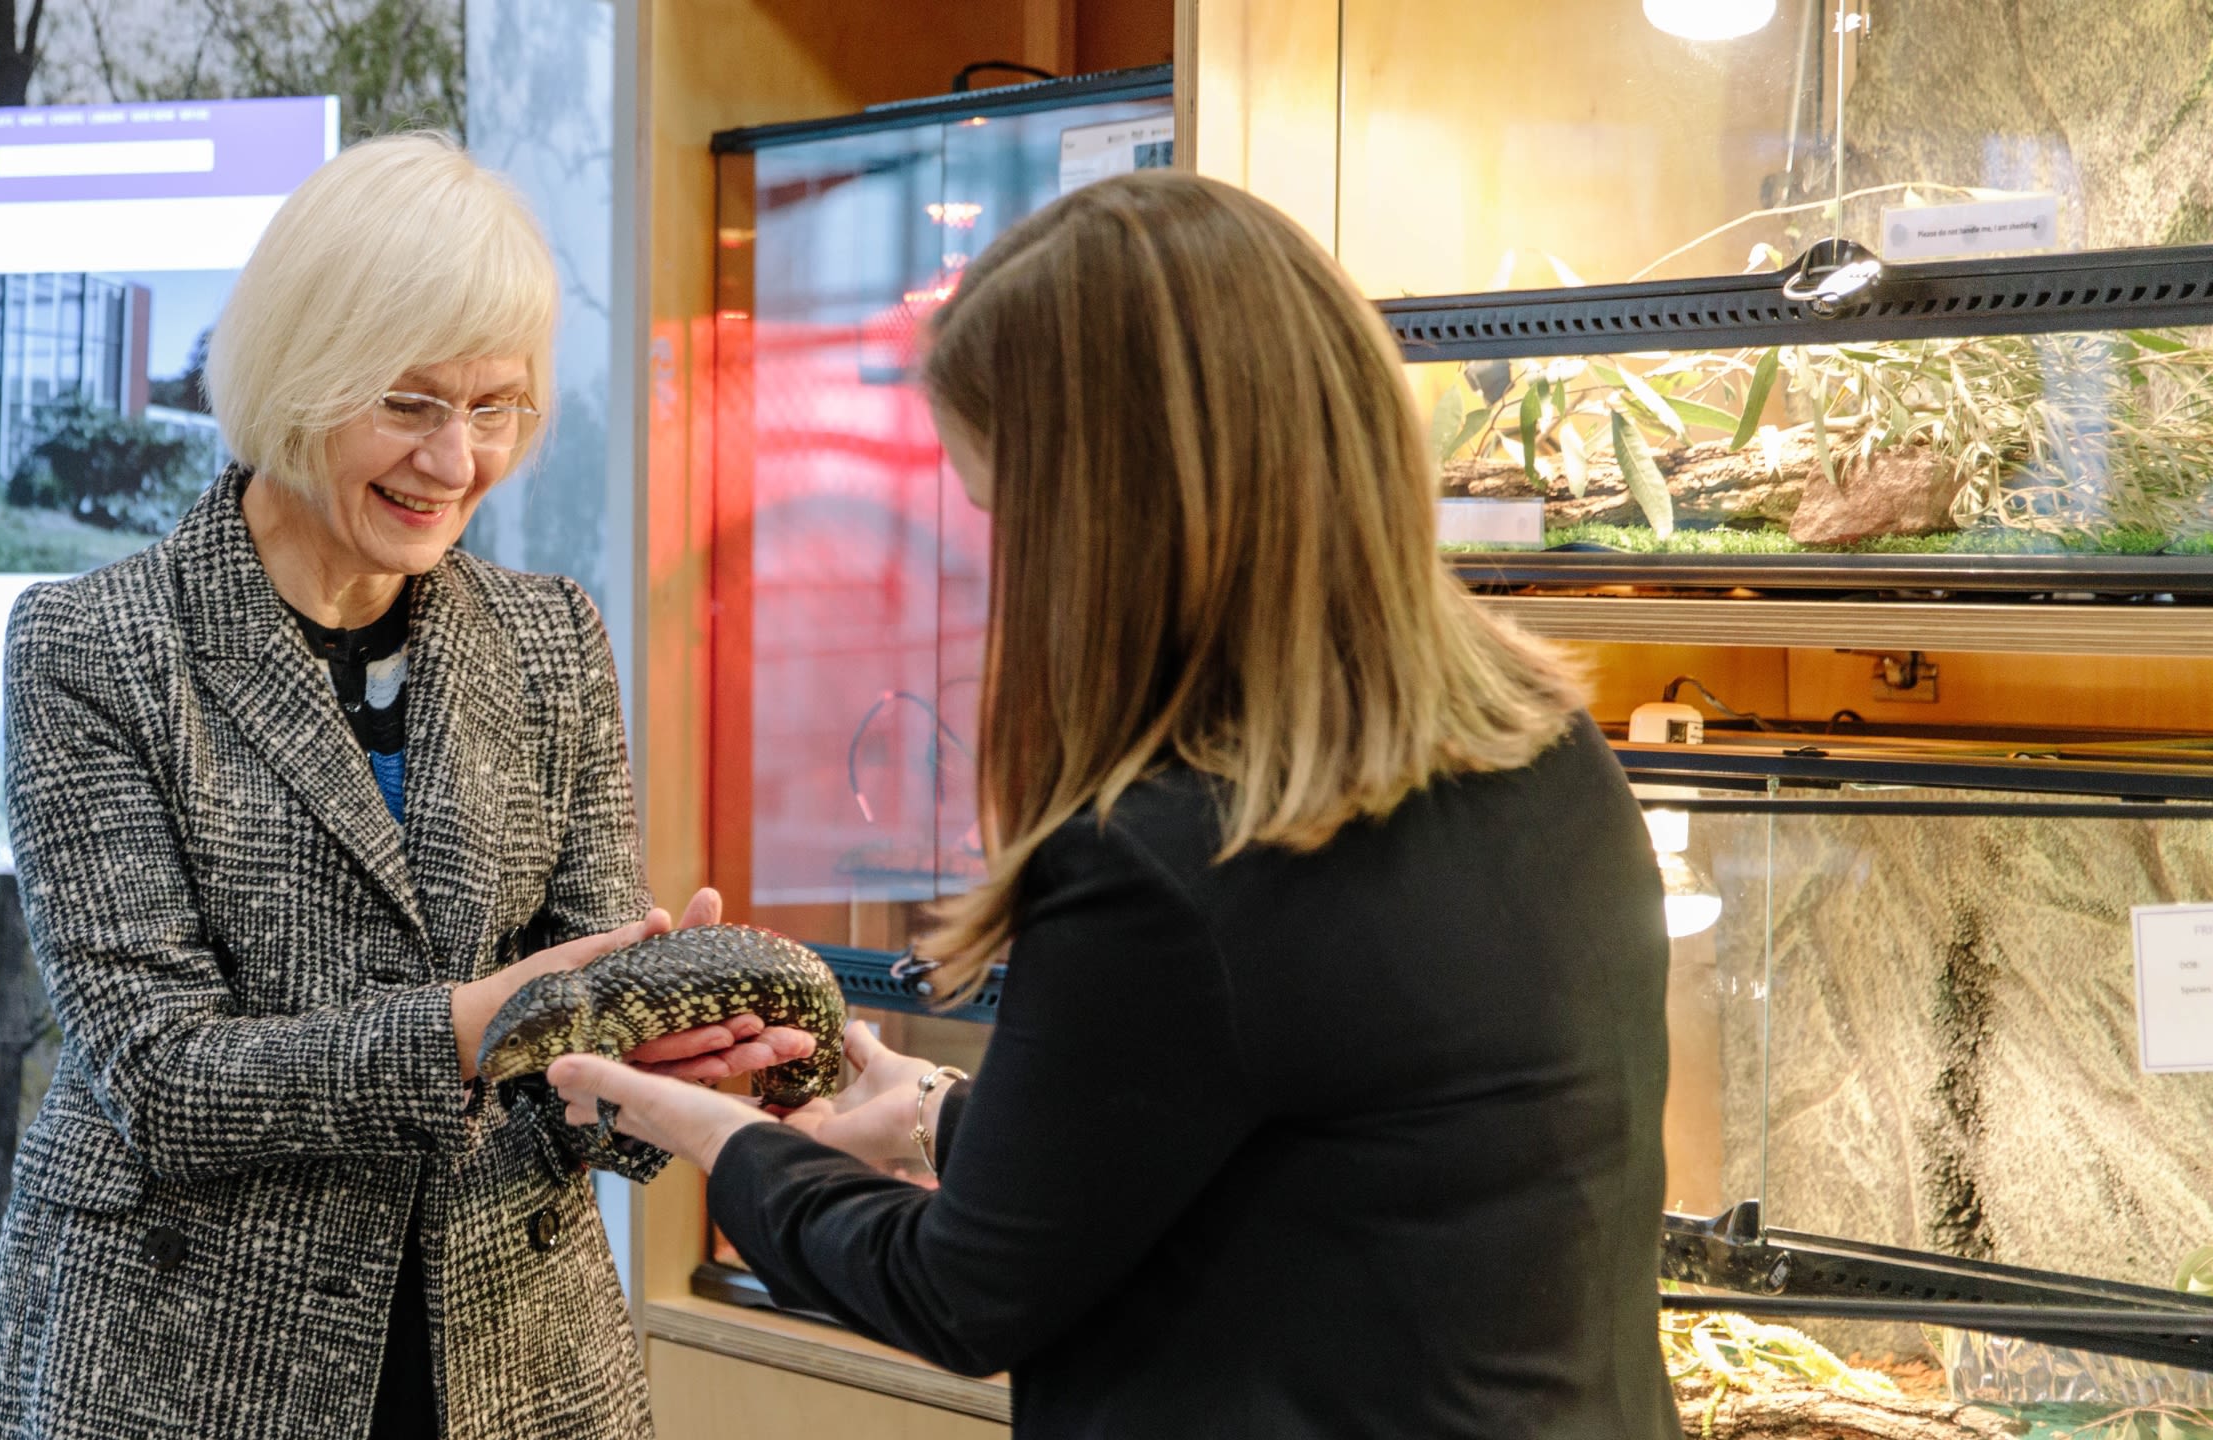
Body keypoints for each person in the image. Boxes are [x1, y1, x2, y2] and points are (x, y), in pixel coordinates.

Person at [546, 171, 1686, 1439]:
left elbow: (960, 1296)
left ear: (1104, 522)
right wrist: (940, 1113)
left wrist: (719, 1136)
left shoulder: (1167, 860)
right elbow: (1300, 1153)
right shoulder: (1547, 750)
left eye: (1003, 511)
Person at [0, 134, 810, 1440]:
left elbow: (568, 1072)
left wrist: (650, 1067)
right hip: (179, 1368)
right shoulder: (95, 647)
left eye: (495, 406)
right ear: (301, 375)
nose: (456, 462)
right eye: (409, 405)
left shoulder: (550, 640)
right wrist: (483, 1023)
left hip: (513, 1367)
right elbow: (163, 1079)